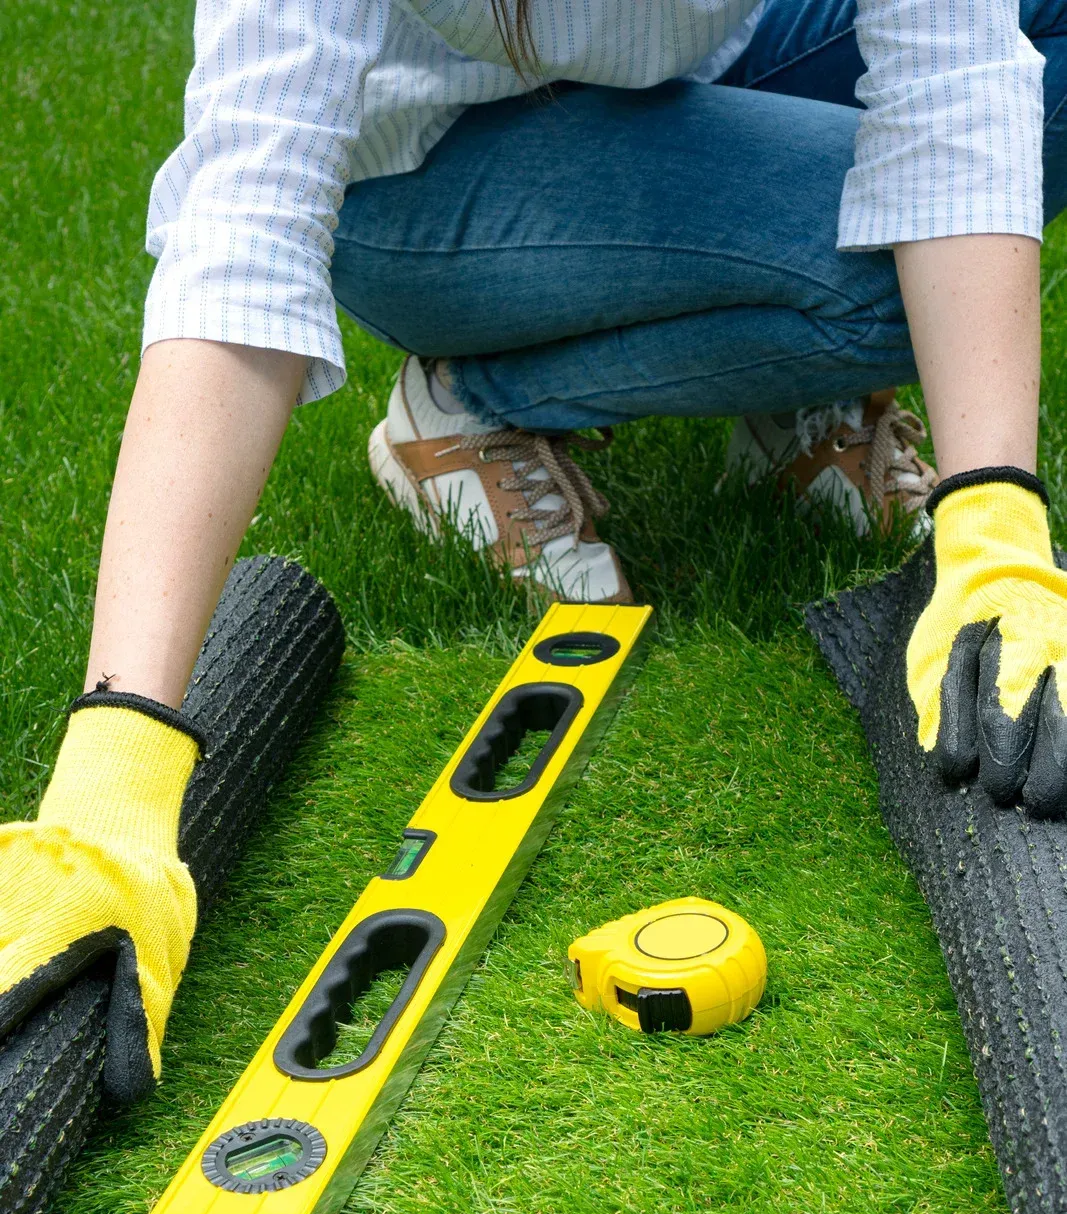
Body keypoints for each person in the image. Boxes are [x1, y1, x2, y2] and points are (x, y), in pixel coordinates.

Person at [1, 0, 1064, 1099]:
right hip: (424, 165)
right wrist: (115, 768)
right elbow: (239, 244)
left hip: (690, 60)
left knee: (1007, 103)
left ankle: (768, 359)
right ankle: (471, 399)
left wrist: (991, 521)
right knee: (891, 268)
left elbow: (953, 73)